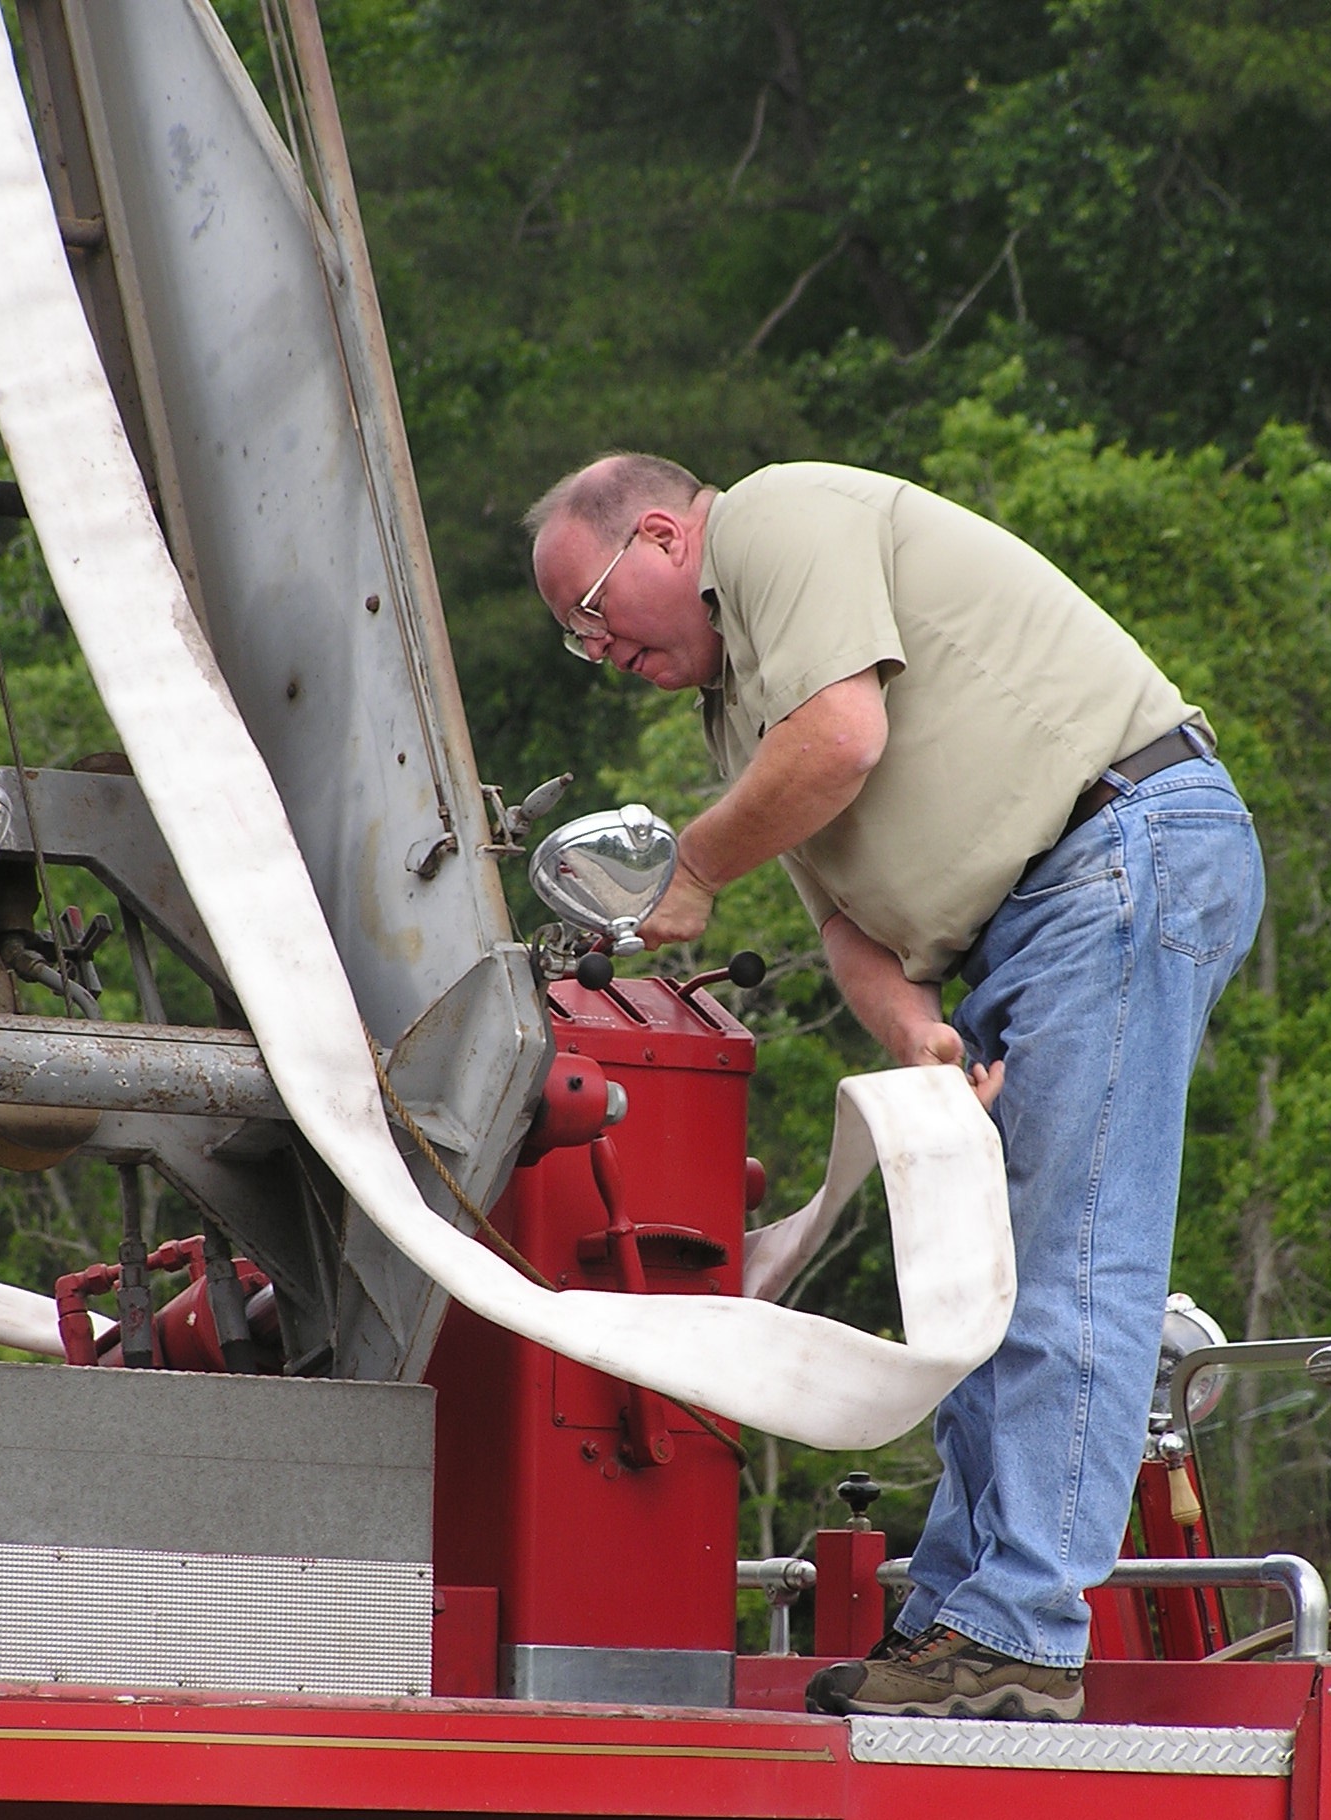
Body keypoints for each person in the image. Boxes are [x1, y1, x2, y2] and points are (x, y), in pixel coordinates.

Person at [526, 452, 1264, 1722]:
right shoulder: (740, 707)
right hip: (1032, 920)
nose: (599, 653)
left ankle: (1023, 1634)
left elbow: (844, 737)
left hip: (1117, 847)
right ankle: (963, 1618)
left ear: (659, 534)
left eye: (594, 614)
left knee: (1070, 1262)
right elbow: (849, 933)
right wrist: (918, 1033)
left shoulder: (776, 518)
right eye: (575, 642)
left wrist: (696, 865)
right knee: (978, 1281)